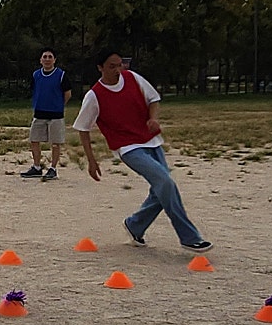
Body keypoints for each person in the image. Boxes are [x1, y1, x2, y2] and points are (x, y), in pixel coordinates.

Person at [74, 48, 212, 253]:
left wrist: (153, 118)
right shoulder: (94, 96)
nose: (117, 70)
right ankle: (189, 237)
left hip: (152, 141)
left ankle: (135, 225)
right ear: (100, 68)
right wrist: (92, 161)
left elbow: (153, 99)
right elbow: (83, 129)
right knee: (165, 182)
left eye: (119, 65)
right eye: (111, 66)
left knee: (161, 189)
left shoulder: (132, 78)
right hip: (128, 148)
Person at [21, 49, 69, 181]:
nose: (47, 59)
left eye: (50, 57)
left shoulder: (61, 75)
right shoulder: (36, 75)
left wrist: (58, 105)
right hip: (39, 113)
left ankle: (53, 168)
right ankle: (36, 167)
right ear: (40, 60)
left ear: (54, 60)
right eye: (45, 57)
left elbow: (67, 93)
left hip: (56, 115)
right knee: (34, 140)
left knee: (55, 142)